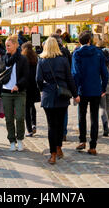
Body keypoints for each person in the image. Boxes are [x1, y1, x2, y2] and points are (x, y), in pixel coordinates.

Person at [36, 37, 79, 165]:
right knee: (60, 124)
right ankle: (59, 147)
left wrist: (43, 88)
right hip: (62, 94)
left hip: (48, 95)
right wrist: (75, 94)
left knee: (51, 126)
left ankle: (53, 154)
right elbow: (69, 78)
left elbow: (38, 79)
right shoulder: (63, 60)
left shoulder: (42, 61)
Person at [71, 31, 109, 156]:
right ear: (89, 41)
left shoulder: (77, 53)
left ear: (79, 41)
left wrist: (75, 90)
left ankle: (82, 140)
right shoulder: (98, 53)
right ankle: (93, 145)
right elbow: (105, 73)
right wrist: (103, 88)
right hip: (96, 89)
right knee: (94, 116)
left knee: (82, 115)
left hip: (82, 89)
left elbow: (75, 73)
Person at [1, 35, 29, 152]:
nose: (6, 48)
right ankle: (11, 141)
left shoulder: (22, 59)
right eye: (6, 45)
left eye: (8, 45)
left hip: (19, 92)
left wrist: (18, 85)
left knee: (19, 117)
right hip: (6, 92)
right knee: (8, 118)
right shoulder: (4, 58)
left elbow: (26, 76)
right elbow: (1, 73)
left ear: (15, 45)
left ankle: (20, 139)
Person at [50, 33, 72, 141]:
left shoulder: (47, 54)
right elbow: (70, 69)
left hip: (50, 86)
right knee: (64, 110)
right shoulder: (66, 52)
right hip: (64, 85)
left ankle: (56, 132)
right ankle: (63, 132)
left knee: (53, 111)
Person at [21, 42, 40, 137]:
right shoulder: (35, 58)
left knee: (26, 109)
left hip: (25, 86)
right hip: (34, 85)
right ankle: (34, 124)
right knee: (32, 106)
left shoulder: (23, 59)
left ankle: (29, 130)